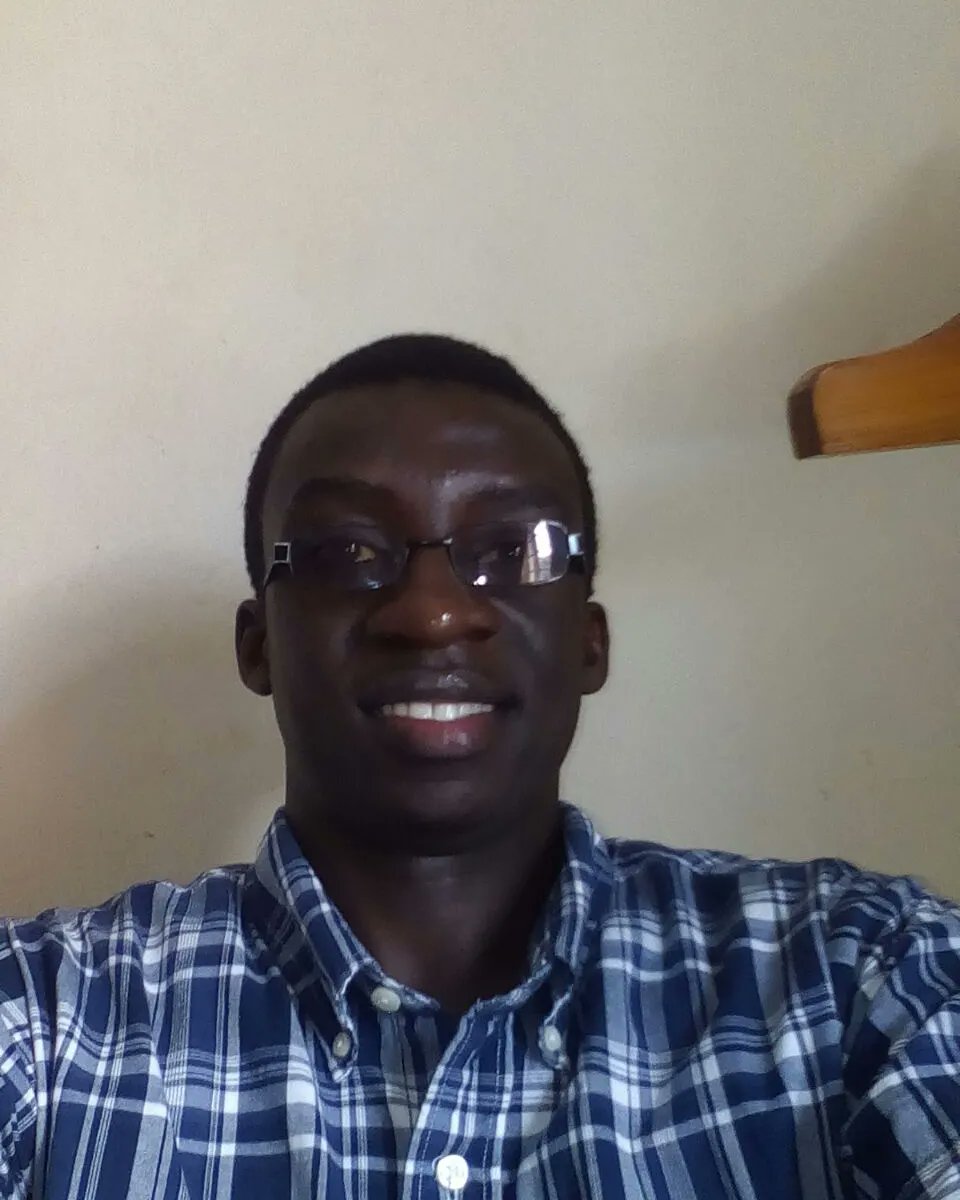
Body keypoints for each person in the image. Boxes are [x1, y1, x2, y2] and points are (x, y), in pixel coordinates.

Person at [1, 334, 958, 1200]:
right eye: (346, 551)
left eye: (513, 548)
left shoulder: (863, 975)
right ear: (258, 645)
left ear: (590, 642)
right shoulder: (45, 1016)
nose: (434, 612)